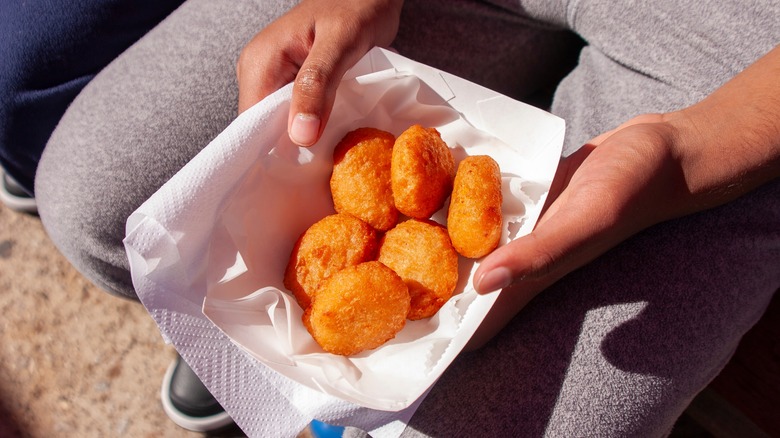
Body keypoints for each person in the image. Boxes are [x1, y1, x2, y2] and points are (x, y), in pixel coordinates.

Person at [2, 0, 777, 435]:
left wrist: (687, 149)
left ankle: (321, 396)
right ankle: (256, 365)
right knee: (99, 209)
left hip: (741, 48)